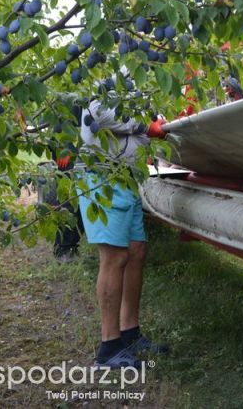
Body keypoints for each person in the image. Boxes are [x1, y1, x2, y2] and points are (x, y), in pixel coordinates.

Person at [78, 94, 168, 369]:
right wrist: (144, 125)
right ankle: (109, 348)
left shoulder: (146, 80)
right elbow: (95, 117)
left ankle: (129, 333)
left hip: (126, 177)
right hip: (103, 177)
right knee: (115, 257)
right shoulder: (112, 72)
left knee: (135, 251)